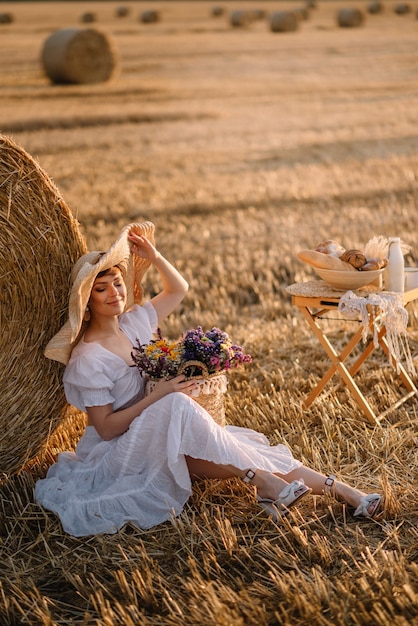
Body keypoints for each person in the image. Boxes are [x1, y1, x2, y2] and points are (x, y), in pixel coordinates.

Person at [34, 222, 382, 537]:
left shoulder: (133, 324)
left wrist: (154, 256)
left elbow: (177, 289)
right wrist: (161, 395)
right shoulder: (88, 357)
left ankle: (345, 492)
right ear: (87, 301)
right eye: (101, 289)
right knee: (177, 405)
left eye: (118, 283)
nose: (115, 294)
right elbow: (106, 429)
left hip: (156, 432)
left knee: (240, 447)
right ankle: (259, 480)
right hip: (116, 454)